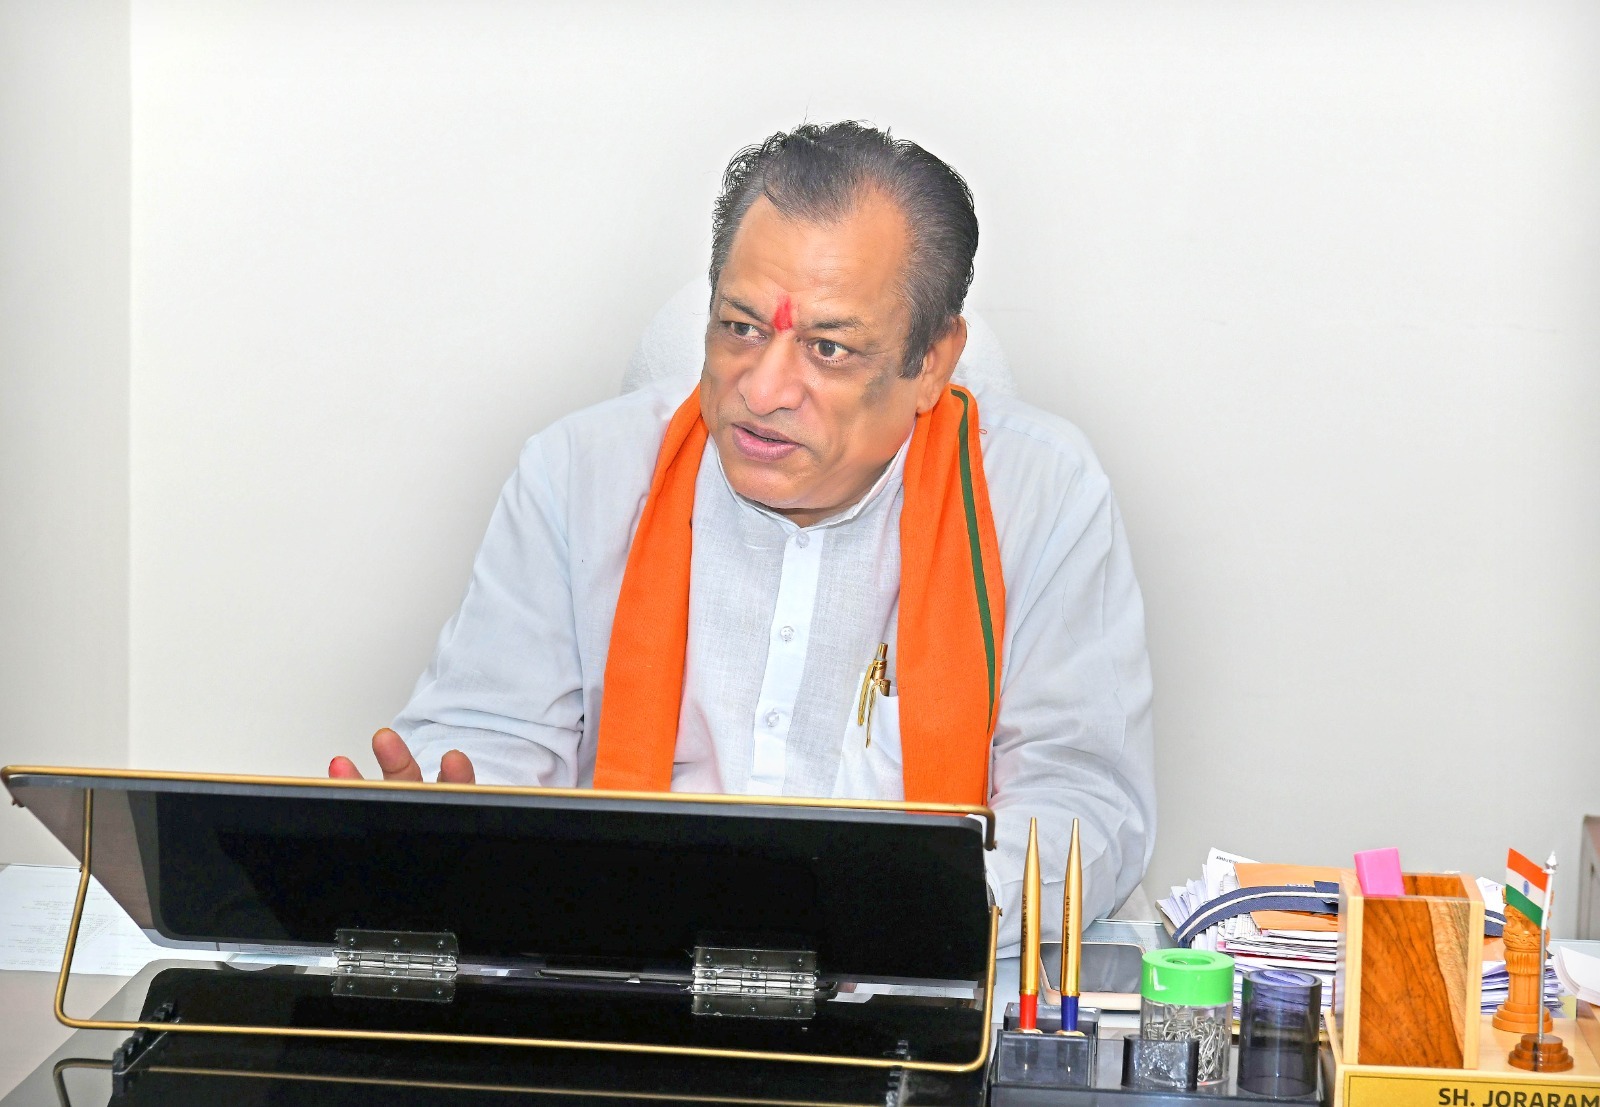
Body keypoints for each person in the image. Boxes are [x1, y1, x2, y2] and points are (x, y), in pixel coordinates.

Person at [329, 122, 1155, 949]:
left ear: (933, 361)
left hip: (906, 973)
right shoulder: (579, 476)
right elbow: (494, 737)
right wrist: (450, 822)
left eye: (827, 348)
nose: (762, 390)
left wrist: (904, 911)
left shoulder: (1039, 497)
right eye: (742, 328)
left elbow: (1083, 799)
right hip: (631, 969)